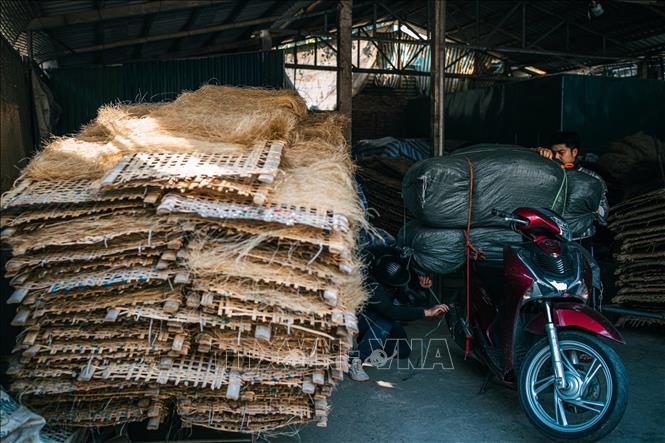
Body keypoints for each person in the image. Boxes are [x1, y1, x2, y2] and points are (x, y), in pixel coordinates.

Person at [349, 246, 449, 382]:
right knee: (387, 319)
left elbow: (406, 299)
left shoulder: (393, 272)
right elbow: (392, 311)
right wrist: (427, 312)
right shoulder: (370, 284)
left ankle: (366, 342)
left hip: (376, 319)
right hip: (357, 321)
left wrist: (422, 287)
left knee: (402, 350)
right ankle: (355, 359)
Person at [533, 131, 609, 238]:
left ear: (574, 152)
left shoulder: (592, 178)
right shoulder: (547, 172)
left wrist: (592, 208)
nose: (556, 156)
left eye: (561, 152)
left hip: (581, 237)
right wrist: (537, 152)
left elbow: (604, 212)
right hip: (550, 235)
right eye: (554, 153)